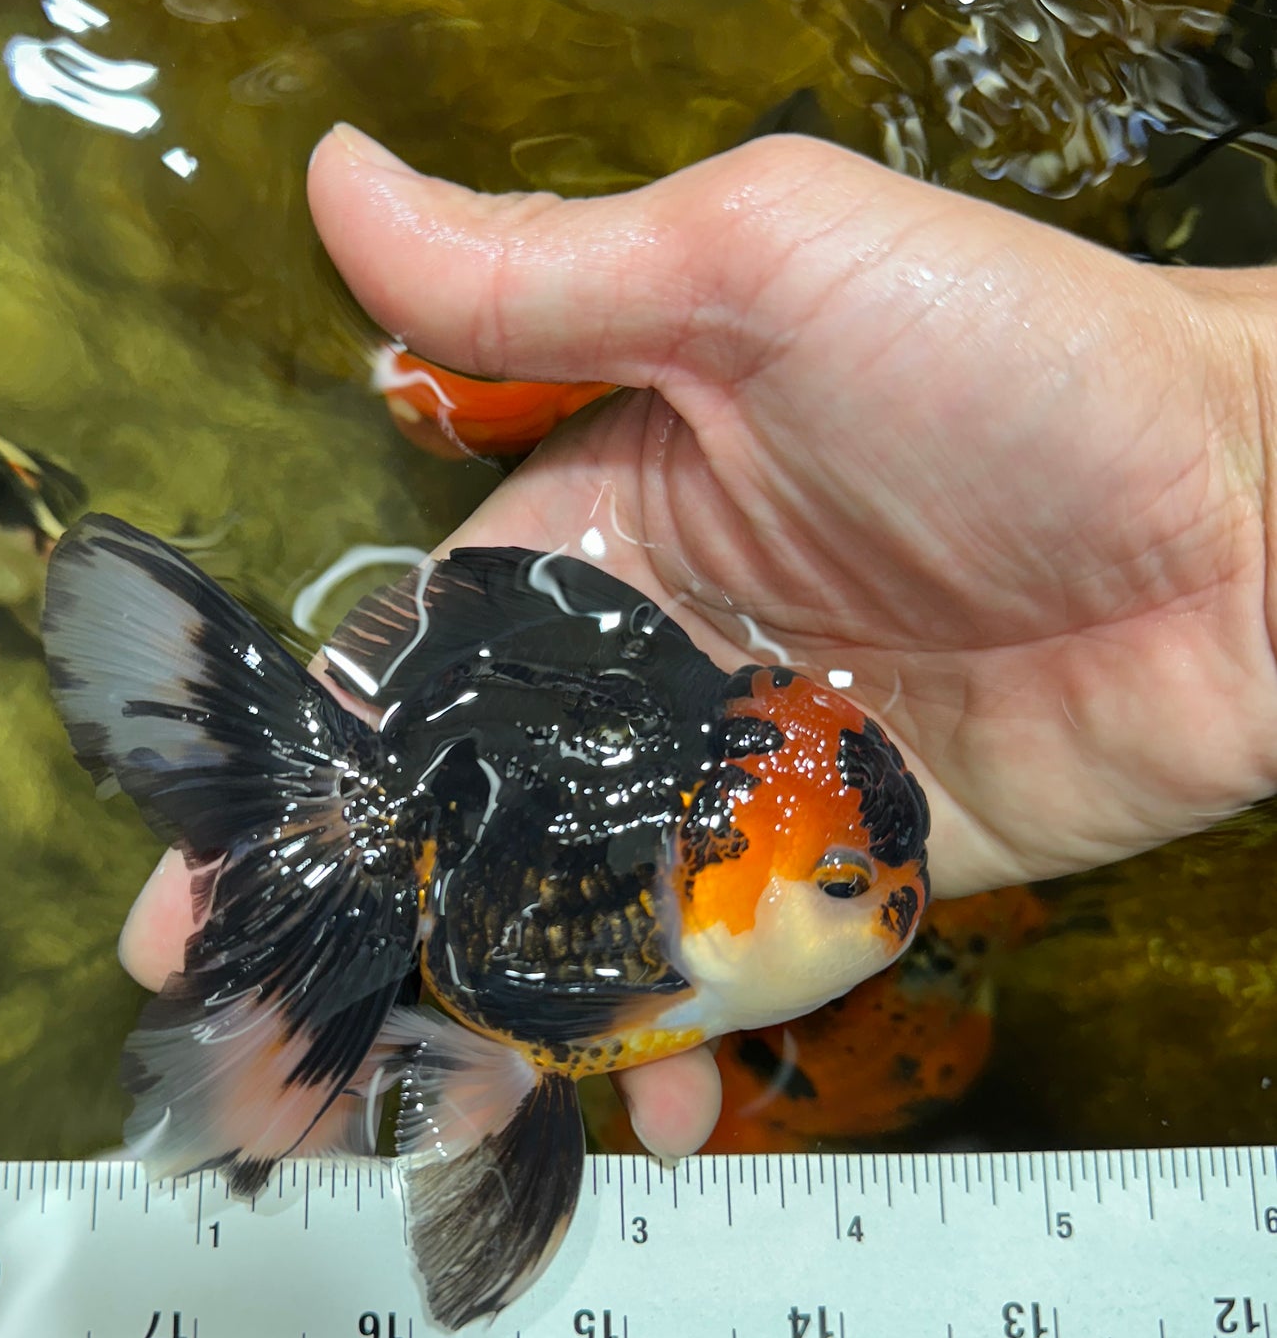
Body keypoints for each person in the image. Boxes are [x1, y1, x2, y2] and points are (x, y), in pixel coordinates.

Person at [118, 123, 1277, 1156]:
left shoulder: (720, 889)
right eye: (839, 881)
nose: (893, 902)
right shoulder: (657, 916)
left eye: (865, 870)